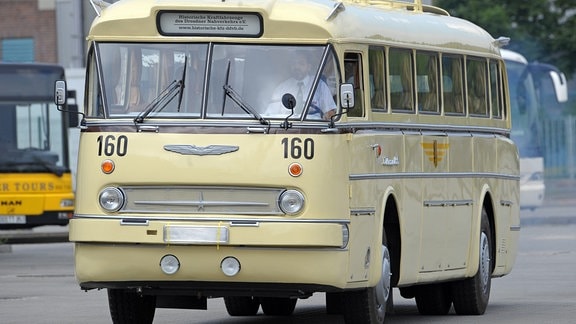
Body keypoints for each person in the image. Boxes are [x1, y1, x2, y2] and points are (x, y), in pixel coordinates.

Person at [266, 51, 336, 120]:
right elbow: (270, 114)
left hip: (313, 128)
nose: (297, 67)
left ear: (309, 67)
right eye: (293, 63)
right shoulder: (281, 88)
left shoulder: (320, 85)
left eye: (301, 63)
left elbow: (330, 111)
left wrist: (327, 115)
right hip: (287, 128)